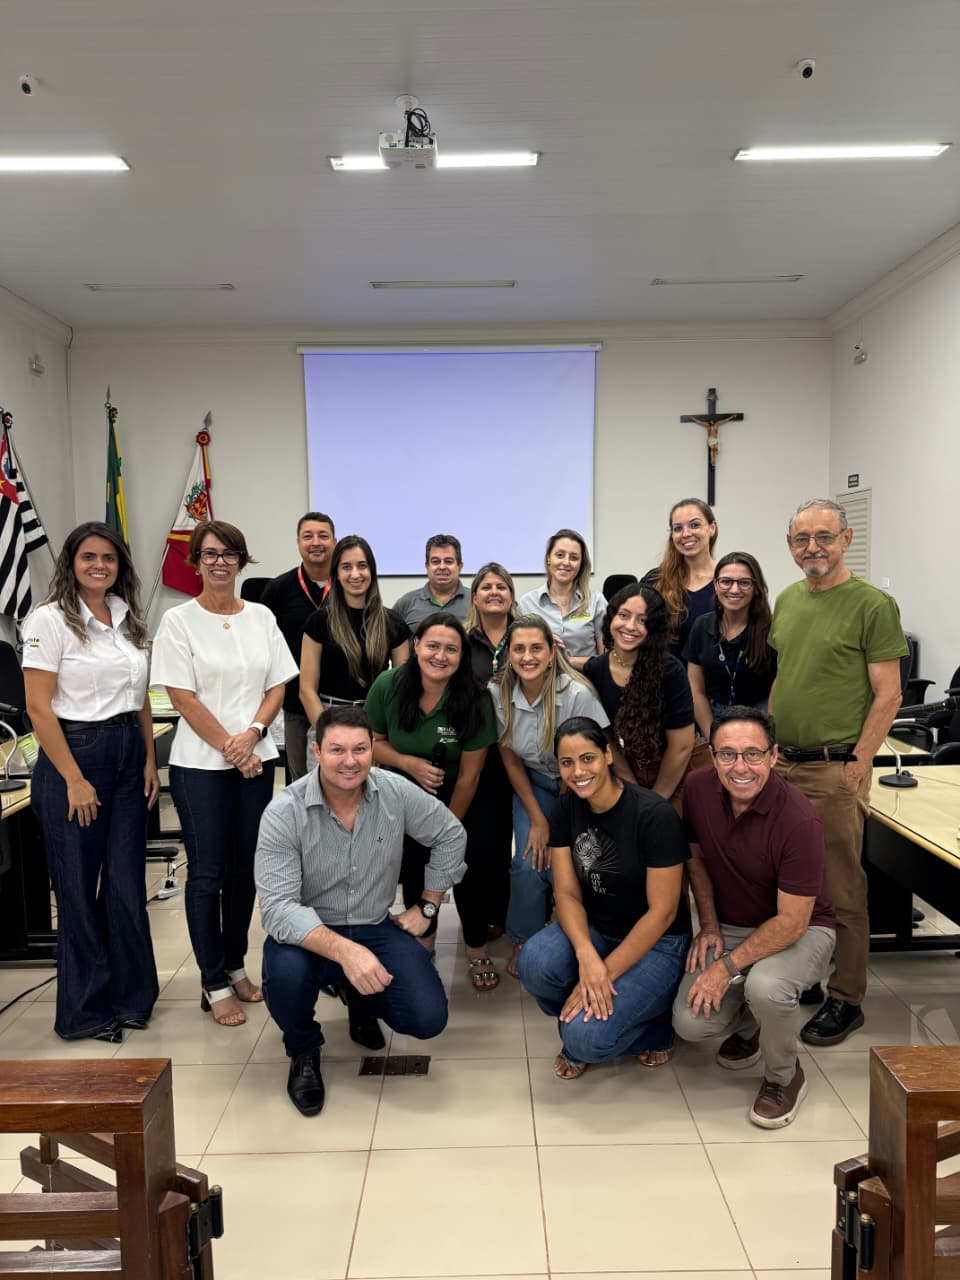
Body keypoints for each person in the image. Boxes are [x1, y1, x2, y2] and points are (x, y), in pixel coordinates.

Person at [255, 706, 466, 1116]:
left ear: (373, 750)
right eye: (336, 750)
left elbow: (450, 834)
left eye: (359, 749)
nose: (349, 761)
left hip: (373, 925)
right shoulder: (284, 812)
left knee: (428, 1017)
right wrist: (348, 952)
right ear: (316, 751)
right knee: (285, 974)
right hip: (309, 933)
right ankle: (303, 1049)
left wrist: (428, 904)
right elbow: (278, 908)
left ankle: (360, 1000)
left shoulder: (393, 791)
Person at [770, 498, 907, 1046]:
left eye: (824, 537)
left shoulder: (872, 604)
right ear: (790, 545)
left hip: (835, 767)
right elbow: (787, 676)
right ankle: (802, 974)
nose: (813, 548)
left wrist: (859, 761)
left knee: (841, 887)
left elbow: (889, 693)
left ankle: (846, 997)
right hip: (785, 763)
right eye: (802, 539)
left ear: (846, 539)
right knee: (789, 882)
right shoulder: (787, 600)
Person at [151, 519, 298, 1028]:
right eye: (210, 554)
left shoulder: (260, 616)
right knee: (208, 872)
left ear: (241, 561)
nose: (220, 562)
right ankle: (212, 981)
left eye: (229, 554)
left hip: (257, 757)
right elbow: (180, 697)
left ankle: (235, 965)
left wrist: (254, 734)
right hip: (200, 767)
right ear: (195, 561)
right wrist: (233, 750)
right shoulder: (178, 621)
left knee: (244, 871)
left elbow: (278, 683)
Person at [23, 521, 160, 1044]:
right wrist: (74, 779)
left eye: (109, 557)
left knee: (126, 885)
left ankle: (131, 996)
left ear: (120, 565)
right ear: (71, 563)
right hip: (75, 758)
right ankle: (83, 1010)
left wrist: (149, 759)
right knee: (78, 891)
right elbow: (38, 706)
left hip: (128, 755)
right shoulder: (50, 619)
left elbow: (142, 696)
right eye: (89, 557)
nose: (99, 565)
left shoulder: (126, 618)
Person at [673, 706, 836, 1128]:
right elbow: (695, 859)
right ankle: (752, 1025)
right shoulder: (695, 788)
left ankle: (785, 1076)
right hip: (730, 922)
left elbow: (791, 923)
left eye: (752, 754)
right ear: (712, 756)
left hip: (802, 928)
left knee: (767, 986)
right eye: (727, 754)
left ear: (773, 755)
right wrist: (708, 924)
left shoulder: (800, 820)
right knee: (690, 1024)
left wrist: (725, 968)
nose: (739, 767)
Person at [519, 718, 690, 1079]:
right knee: (533, 963)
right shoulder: (566, 809)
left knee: (584, 1040)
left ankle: (655, 1026)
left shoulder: (653, 815)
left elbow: (663, 912)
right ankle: (599, 1007)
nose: (578, 771)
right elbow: (566, 893)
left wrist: (603, 971)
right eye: (567, 763)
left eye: (588, 758)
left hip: (659, 943)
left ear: (608, 754)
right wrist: (587, 958)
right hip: (598, 928)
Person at [365, 612, 500, 987]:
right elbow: (374, 745)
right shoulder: (388, 685)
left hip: (462, 791)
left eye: (451, 649)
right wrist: (409, 763)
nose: (441, 656)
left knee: (467, 865)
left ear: (462, 657)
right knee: (414, 864)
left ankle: (475, 946)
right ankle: (424, 940)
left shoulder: (475, 698)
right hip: (405, 789)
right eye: (433, 646)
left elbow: (472, 774)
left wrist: (446, 829)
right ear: (416, 646)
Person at [490, 615, 608, 976]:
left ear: (552, 650)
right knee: (528, 862)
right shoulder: (498, 693)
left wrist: (557, 822)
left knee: (574, 864)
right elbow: (510, 758)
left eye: (536, 647)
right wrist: (539, 820)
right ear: (508, 653)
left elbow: (591, 759)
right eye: (519, 648)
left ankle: (575, 938)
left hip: (579, 787)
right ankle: (524, 938)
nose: (528, 656)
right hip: (533, 785)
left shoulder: (576, 693)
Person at [584, 584, 695, 809]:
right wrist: (631, 790)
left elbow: (681, 746)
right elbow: (607, 740)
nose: (630, 626)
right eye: (623, 615)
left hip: (671, 775)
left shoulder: (669, 670)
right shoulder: (594, 670)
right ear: (611, 617)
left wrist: (654, 801)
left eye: (643, 620)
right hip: (621, 772)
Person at [298, 536, 409, 742]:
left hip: (375, 724)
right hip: (328, 719)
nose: (355, 574)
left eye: (362, 566)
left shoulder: (393, 623)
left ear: (372, 572)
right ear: (336, 574)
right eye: (346, 567)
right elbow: (306, 690)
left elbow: (402, 690)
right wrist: (328, 735)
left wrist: (379, 738)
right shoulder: (319, 622)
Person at [463, 562, 518, 938]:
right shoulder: (463, 642)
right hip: (479, 757)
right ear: (475, 597)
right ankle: (484, 916)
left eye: (501, 586)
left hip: (524, 752)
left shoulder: (527, 635)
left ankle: (518, 913)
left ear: (511, 595)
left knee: (525, 841)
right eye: (486, 587)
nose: (494, 592)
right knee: (485, 841)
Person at [260, 512, 336, 782]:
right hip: (295, 701)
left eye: (323, 536)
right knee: (301, 780)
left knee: (342, 775)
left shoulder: (349, 585)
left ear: (334, 542)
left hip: (341, 700)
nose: (316, 542)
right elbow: (263, 646)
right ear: (298, 543)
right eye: (308, 536)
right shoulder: (278, 590)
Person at [684, 552, 777, 742]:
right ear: (716, 585)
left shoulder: (772, 629)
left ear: (756, 587)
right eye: (726, 581)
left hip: (760, 721)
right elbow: (696, 690)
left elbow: (779, 688)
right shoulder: (702, 625)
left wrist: (763, 737)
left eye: (744, 582)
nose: (734, 589)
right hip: (713, 719)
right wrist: (714, 738)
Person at [643, 498, 718, 657]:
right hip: (663, 679)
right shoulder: (654, 580)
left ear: (712, 528)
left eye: (694, 525)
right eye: (677, 528)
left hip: (712, 680)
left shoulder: (728, 583)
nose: (686, 534)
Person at [517, 529, 606, 660]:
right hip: (542, 679)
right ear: (548, 558)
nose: (566, 562)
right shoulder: (527, 604)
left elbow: (607, 661)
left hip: (585, 679)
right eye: (560, 555)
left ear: (581, 564)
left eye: (574, 558)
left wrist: (568, 661)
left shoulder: (597, 602)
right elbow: (519, 655)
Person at [393, 534, 468, 627]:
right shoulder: (406, 603)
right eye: (436, 562)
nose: (442, 567)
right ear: (427, 566)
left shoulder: (475, 602)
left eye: (448, 561)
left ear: (460, 566)